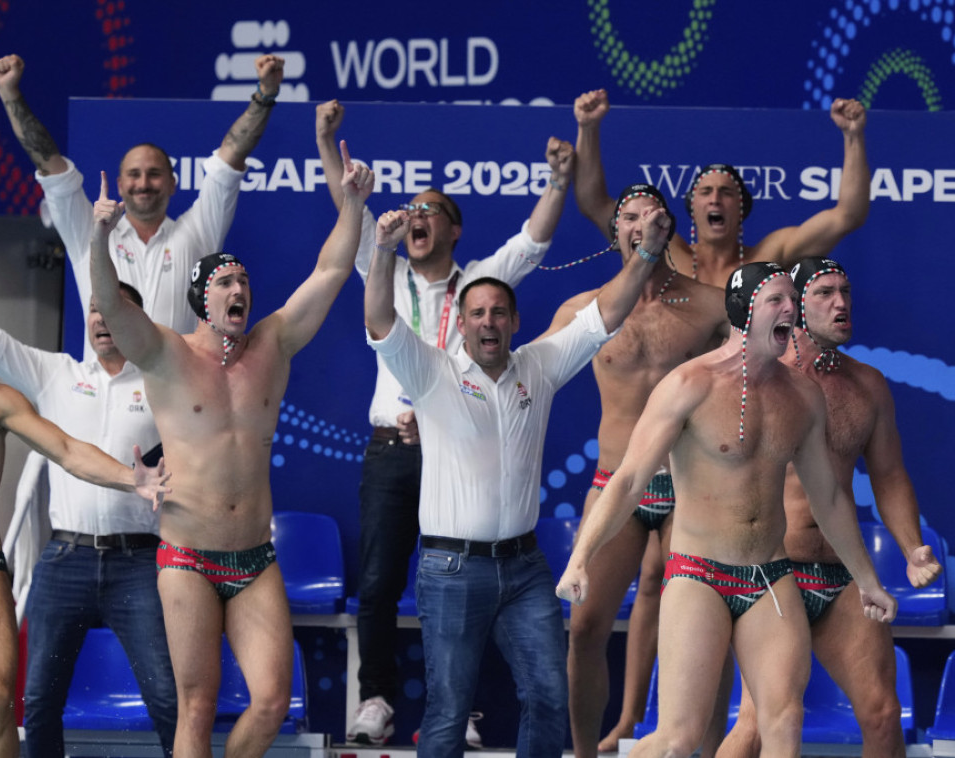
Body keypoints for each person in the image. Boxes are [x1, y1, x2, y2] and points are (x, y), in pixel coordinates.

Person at [88, 140, 373, 756]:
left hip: (254, 560)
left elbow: (330, 271)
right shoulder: (164, 353)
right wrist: (100, 237)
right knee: (196, 706)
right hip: (187, 559)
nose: (239, 288)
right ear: (202, 300)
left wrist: (352, 205)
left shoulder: (274, 343)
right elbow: (109, 302)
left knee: (271, 703)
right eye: (225, 282)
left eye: (243, 279)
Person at [364, 190, 672, 757]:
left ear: (515, 321)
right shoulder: (431, 372)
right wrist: (383, 252)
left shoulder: (540, 365)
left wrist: (647, 254)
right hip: (452, 570)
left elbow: (606, 314)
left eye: (499, 313)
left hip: (525, 569)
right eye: (477, 314)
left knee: (551, 696)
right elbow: (381, 320)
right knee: (448, 711)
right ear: (461, 324)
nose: (489, 322)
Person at [556, 261, 896, 758]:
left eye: (792, 299)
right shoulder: (688, 384)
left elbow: (829, 498)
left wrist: (867, 580)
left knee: (784, 721)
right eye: (776, 300)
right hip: (699, 575)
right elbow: (627, 480)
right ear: (743, 310)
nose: (790, 308)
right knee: (677, 740)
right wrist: (581, 557)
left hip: (770, 579)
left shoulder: (802, 395)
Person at [315, 99, 575, 746]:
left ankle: (469, 710)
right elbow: (351, 210)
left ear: (455, 230)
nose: (417, 217)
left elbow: (533, 242)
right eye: (412, 210)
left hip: (459, 447)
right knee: (379, 581)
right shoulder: (385, 270)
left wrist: (558, 181)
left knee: (473, 574)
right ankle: (376, 699)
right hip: (391, 450)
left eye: (432, 210)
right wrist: (325, 141)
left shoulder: (480, 286)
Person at [0, 217, 177, 757]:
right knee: (39, 700)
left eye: (113, 309)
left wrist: (133, 478)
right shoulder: (58, 374)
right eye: (94, 310)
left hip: (124, 560)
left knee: (160, 696)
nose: (102, 320)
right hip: (67, 556)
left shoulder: (166, 381)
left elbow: (67, 450)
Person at [715, 258, 941, 758]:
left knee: (883, 715)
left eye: (845, 291)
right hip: (772, 574)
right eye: (825, 293)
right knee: (758, 723)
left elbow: (889, 476)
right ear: (794, 306)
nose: (841, 303)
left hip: (842, 575)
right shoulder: (759, 380)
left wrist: (912, 549)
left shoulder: (867, 384)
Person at [537, 184, 729, 758]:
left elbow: (762, 376)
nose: (641, 223)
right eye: (629, 215)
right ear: (614, 231)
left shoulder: (712, 305)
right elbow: (522, 376)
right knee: (585, 628)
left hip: (690, 487)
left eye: (652, 214)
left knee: (705, 629)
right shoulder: (584, 310)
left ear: (669, 229)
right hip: (614, 484)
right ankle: (584, 754)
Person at [0, 51, 285, 350]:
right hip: (105, 380)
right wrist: (9, 93)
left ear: (172, 183)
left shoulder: (198, 231)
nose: (143, 183)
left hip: (179, 380)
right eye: (134, 174)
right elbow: (49, 165)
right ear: (120, 185)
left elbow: (231, 156)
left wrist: (265, 94)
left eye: (154, 174)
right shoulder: (90, 234)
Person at [573, 88, 870, 289]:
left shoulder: (769, 255)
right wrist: (587, 128)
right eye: (705, 192)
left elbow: (847, 215)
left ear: (742, 207)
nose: (715, 198)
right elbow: (593, 203)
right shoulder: (666, 250)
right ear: (692, 208)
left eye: (726, 193)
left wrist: (853, 136)